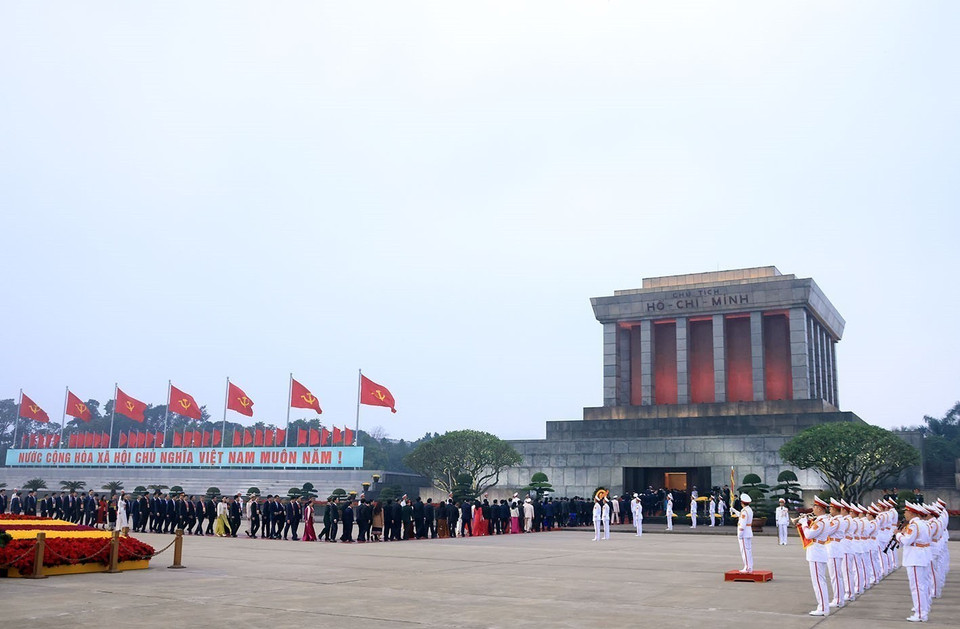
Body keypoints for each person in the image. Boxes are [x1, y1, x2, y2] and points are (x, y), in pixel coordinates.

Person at [897, 502, 932, 622]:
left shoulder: (914, 525)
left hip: (915, 557)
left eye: (906, 512)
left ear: (911, 513)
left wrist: (898, 536)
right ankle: (924, 609)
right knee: (922, 585)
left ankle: (920, 614)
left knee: (917, 587)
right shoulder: (923, 523)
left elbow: (907, 541)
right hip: (922, 556)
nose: (904, 514)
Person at [797, 496, 832, 616]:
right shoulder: (822, 520)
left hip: (817, 552)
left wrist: (804, 524)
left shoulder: (821, 522)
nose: (813, 508)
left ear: (820, 509)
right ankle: (823, 606)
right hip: (818, 551)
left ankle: (823, 608)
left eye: (815, 506)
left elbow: (809, 535)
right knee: (819, 581)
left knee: (818, 582)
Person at [730, 493, 754, 573]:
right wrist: (734, 510)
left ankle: (747, 568)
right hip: (748, 532)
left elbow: (742, 523)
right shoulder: (748, 510)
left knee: (745, 551)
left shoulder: (744, 511)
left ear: (742, 503)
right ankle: (749, 567)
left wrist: (740, 534)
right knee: (748, 551)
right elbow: (740, 515)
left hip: (744, 533)